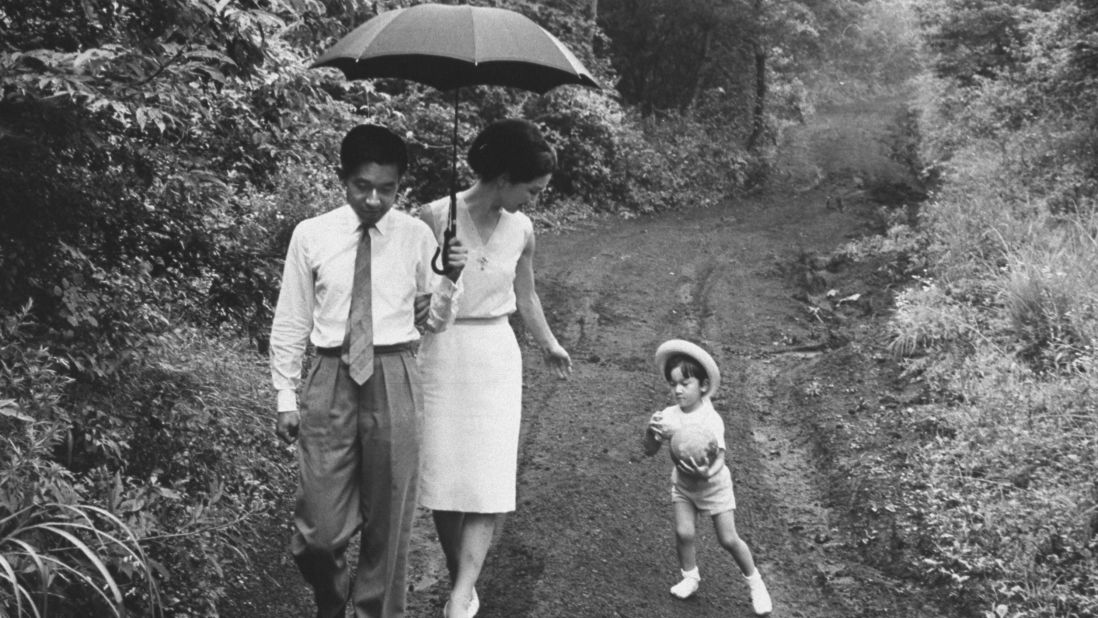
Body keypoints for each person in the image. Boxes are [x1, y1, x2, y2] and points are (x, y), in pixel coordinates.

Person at [269, 124, 467, 618]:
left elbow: (436, 322)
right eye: (363, 186)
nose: (375, 199)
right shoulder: (311, 235)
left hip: (395, 373)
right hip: (329, 376)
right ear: (343, 179)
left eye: (388, 188)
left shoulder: (418, 236)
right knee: (317, 530)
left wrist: (449, 279)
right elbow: (291, 318)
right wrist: (285, 395)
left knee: (390, 522)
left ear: (400, 184)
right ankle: (332, 606)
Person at [416, 118, 573, 618]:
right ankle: (459, 570)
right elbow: (416, 305)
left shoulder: (522, 229)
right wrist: (444, 266)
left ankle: (461, 592)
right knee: (443, 474)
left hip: (495, 358)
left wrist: (548, 343)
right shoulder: (432, 217)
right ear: (504, 177)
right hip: (442, 353)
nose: (534, 200)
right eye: (532, 189)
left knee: (487, 476)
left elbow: (524, 294)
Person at [643, 339, 773, 616]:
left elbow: (721, 459)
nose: (677, 390)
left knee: (728, 539)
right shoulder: (667, 416)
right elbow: (649, 451)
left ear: (702, 386)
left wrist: (706, 473)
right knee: (684, 532)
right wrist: (650, 431)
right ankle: (690, 577)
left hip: (714, 486)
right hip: (684, 485)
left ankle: (755, 583)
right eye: (673, 384)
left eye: (685, 383)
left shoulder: (711, 418)